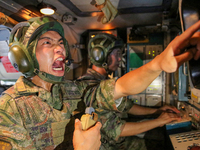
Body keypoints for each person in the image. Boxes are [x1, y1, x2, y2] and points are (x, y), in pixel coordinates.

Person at [0, 15, 200, 150]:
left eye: (61, 42)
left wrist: (157, 65)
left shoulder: (72, 90)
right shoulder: (10, 109)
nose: (60, 48)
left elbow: (119, 88)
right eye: (48, 42)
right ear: (24, 58)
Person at [77, 33, 181, 150]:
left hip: (114, 141)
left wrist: (157, 111)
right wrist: (159, 121)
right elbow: (117, 130)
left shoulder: (102, 81)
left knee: (159, 141)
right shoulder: (89, 87)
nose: (120, 59)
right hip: (106, 146)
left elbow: (127, 106)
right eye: (117, 54)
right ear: (101, 56)